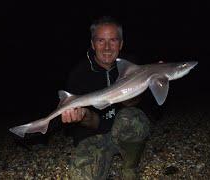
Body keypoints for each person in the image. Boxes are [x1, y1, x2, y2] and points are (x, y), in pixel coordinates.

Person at [61, 16, 151, 180]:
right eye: (101, 41)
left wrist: (152, 76)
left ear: (121, 43)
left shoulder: (132, 66)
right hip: (93, 135)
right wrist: (83, 117)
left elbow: (137, 104)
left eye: (113, 40)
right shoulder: (79, 74)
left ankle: (130, 166)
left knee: (134, 118)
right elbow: (90, 122)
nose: (107, 47)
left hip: (124, 129)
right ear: (92, 43)